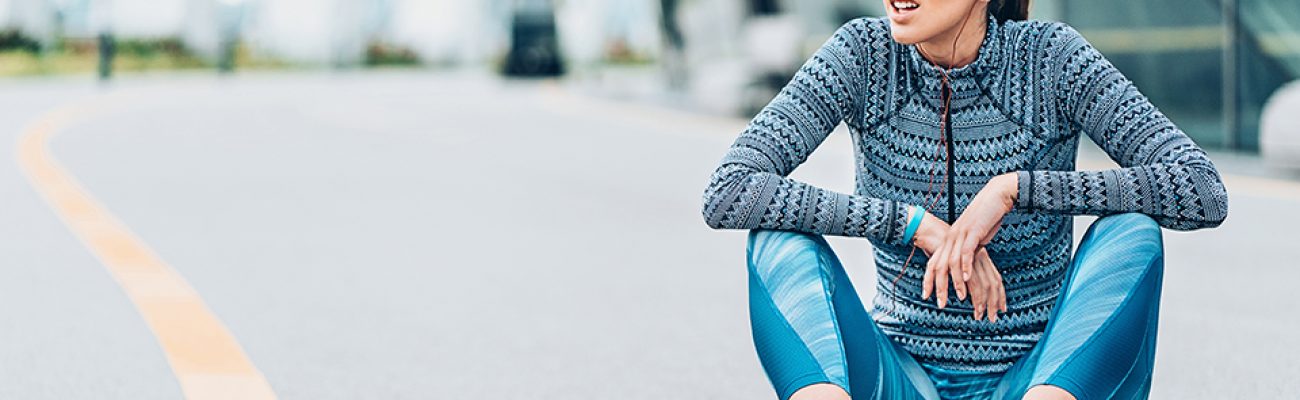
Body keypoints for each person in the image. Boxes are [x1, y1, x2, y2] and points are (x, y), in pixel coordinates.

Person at [698, 0, 1230, 399]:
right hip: (898, 376)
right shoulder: (863, 55)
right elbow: (731, 189)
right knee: (778, 239)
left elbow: (1200, 188)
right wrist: (909, 224)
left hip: (1037, 375)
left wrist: (1016, 189)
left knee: (1132, 232)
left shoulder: (1051, 60)